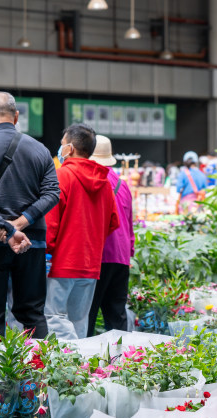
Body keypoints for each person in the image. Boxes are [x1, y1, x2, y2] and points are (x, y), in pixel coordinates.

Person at [0, 91, 59, 338]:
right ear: (16, 117)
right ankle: (40, 372)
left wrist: (4, 228)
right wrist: (20, 224)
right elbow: (52, 194)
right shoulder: (40, 149)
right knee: (32, 312)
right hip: (31, 241)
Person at [45, 124, 119, 340]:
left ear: (70, 148)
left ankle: (67, 367)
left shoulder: (61, 176)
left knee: (54, 316)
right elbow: (112, 223)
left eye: (61, 145)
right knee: (79, 320)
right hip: (90, 264)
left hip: (62, 263)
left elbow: (50, 223)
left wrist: (45, 251)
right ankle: (80, 368)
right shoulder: (104, 182)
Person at [88, 135, 134, 336]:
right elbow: (130, 224)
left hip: (98, 255)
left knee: (88, 314)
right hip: (121, 257)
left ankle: (84, 364)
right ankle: (121, 363)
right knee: (117, 316)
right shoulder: (122, 185)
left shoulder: (91, 181)